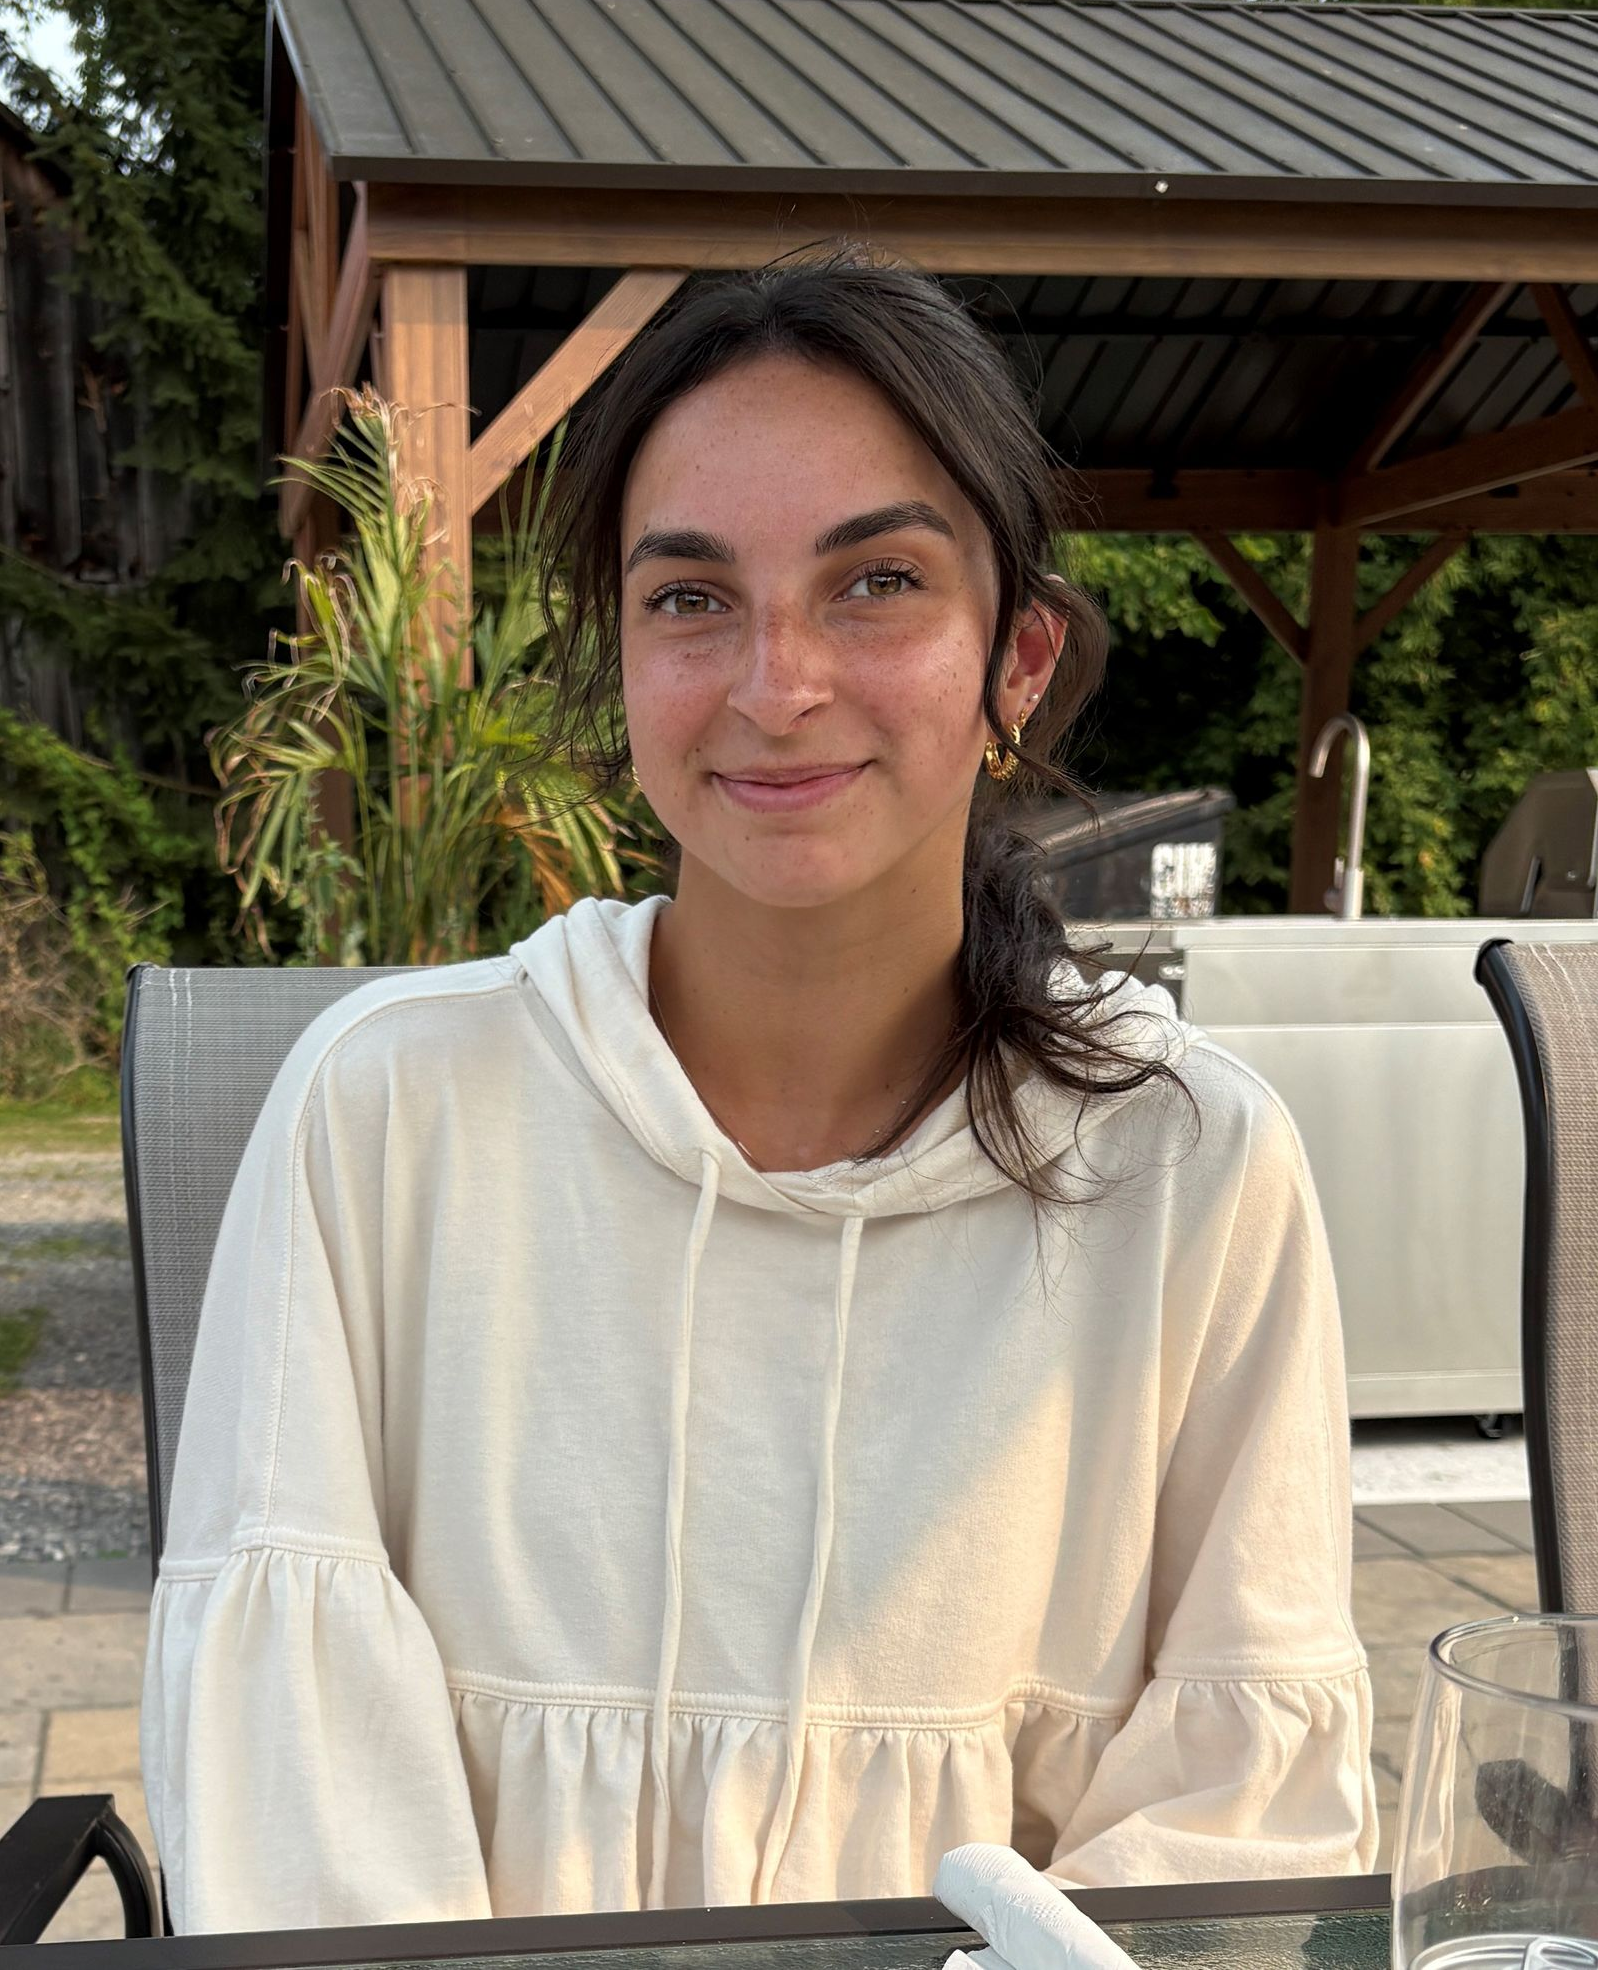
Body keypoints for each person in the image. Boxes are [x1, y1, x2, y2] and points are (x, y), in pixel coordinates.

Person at [140, 242, 1377, 1936]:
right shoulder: (385, 1114)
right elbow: (303, 1800)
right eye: (689, 596)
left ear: (1015, 664)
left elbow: (1241, 1819)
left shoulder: (1191, 1166)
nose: (773, 684)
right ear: (623, 665)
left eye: (875, 584)